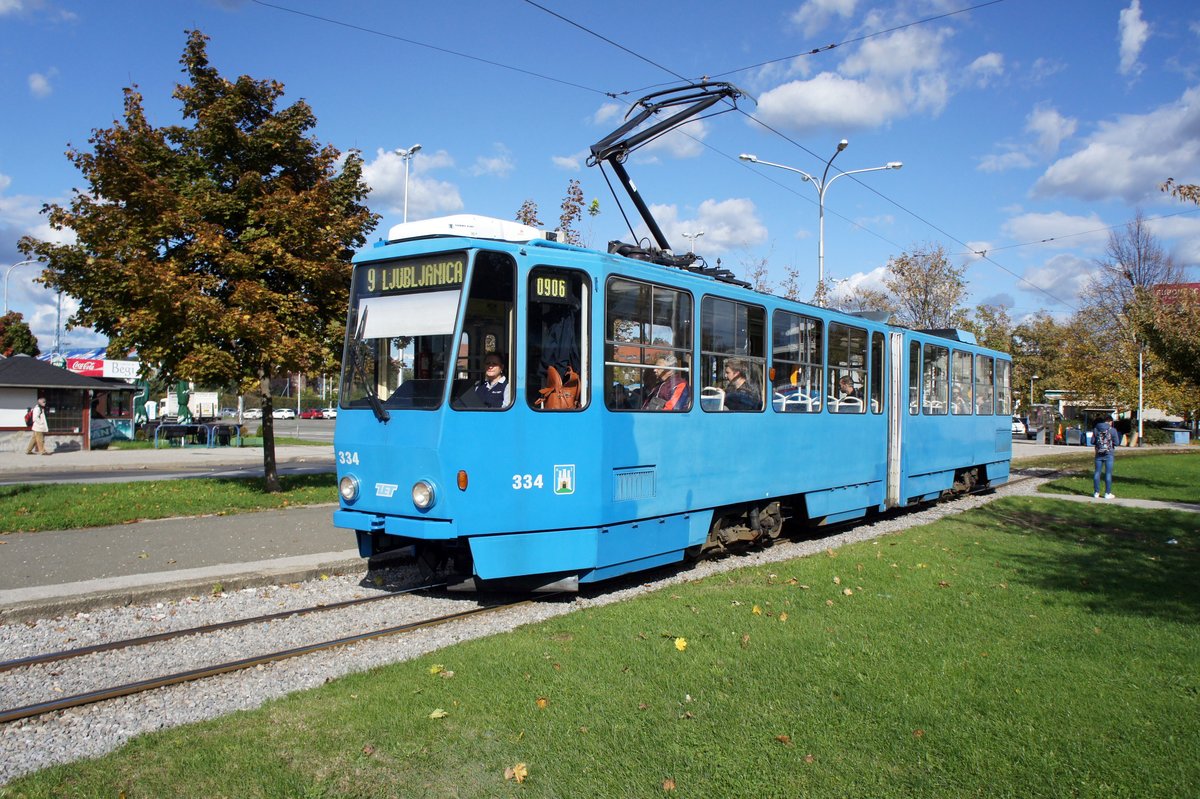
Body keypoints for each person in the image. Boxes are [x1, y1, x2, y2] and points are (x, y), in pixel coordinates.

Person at [1092, 414, 1119, 498]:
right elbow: (1117, 443)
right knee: (1108, 474)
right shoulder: (1113, 430)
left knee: (1097, 472)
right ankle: (1107, 493)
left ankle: (1096, 493)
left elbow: (1092, 441)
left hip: (1098, 454)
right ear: (1110, 421)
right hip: (1109, 454)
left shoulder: (1096, 429)